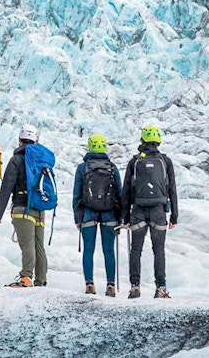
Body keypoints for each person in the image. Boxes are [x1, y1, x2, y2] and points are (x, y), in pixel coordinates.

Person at [121, 126, 178, 299]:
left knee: (136, 249)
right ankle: (161, 288)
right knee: (158, 249)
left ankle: (135, 287)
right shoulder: (165, 161)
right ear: (158, 141)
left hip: (138, 210)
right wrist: (174, 215)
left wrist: (125, 216)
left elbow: (126, 191)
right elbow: (172, 189)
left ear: (142, 141)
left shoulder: (135, 161)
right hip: (159, 211)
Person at [0, 124, 48, 288]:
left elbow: (7, 187)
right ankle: (41, 280)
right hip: (39, 208)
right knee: (39, 245)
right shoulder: (41, 160)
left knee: (27, 245)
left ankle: (25, 277)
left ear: (19, 140)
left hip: (22, 208)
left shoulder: (16, 160)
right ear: (36, 140)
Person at [72, 134, 122, 297]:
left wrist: (78, 218)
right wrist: (120, 217)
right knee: (109, 250)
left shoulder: (82, 167)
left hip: (88, 213)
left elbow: (76, 195)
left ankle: (89, 284)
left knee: (88, 250)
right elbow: (120, 193)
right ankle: (110, 285)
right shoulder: (112, 167)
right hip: (109, 214)